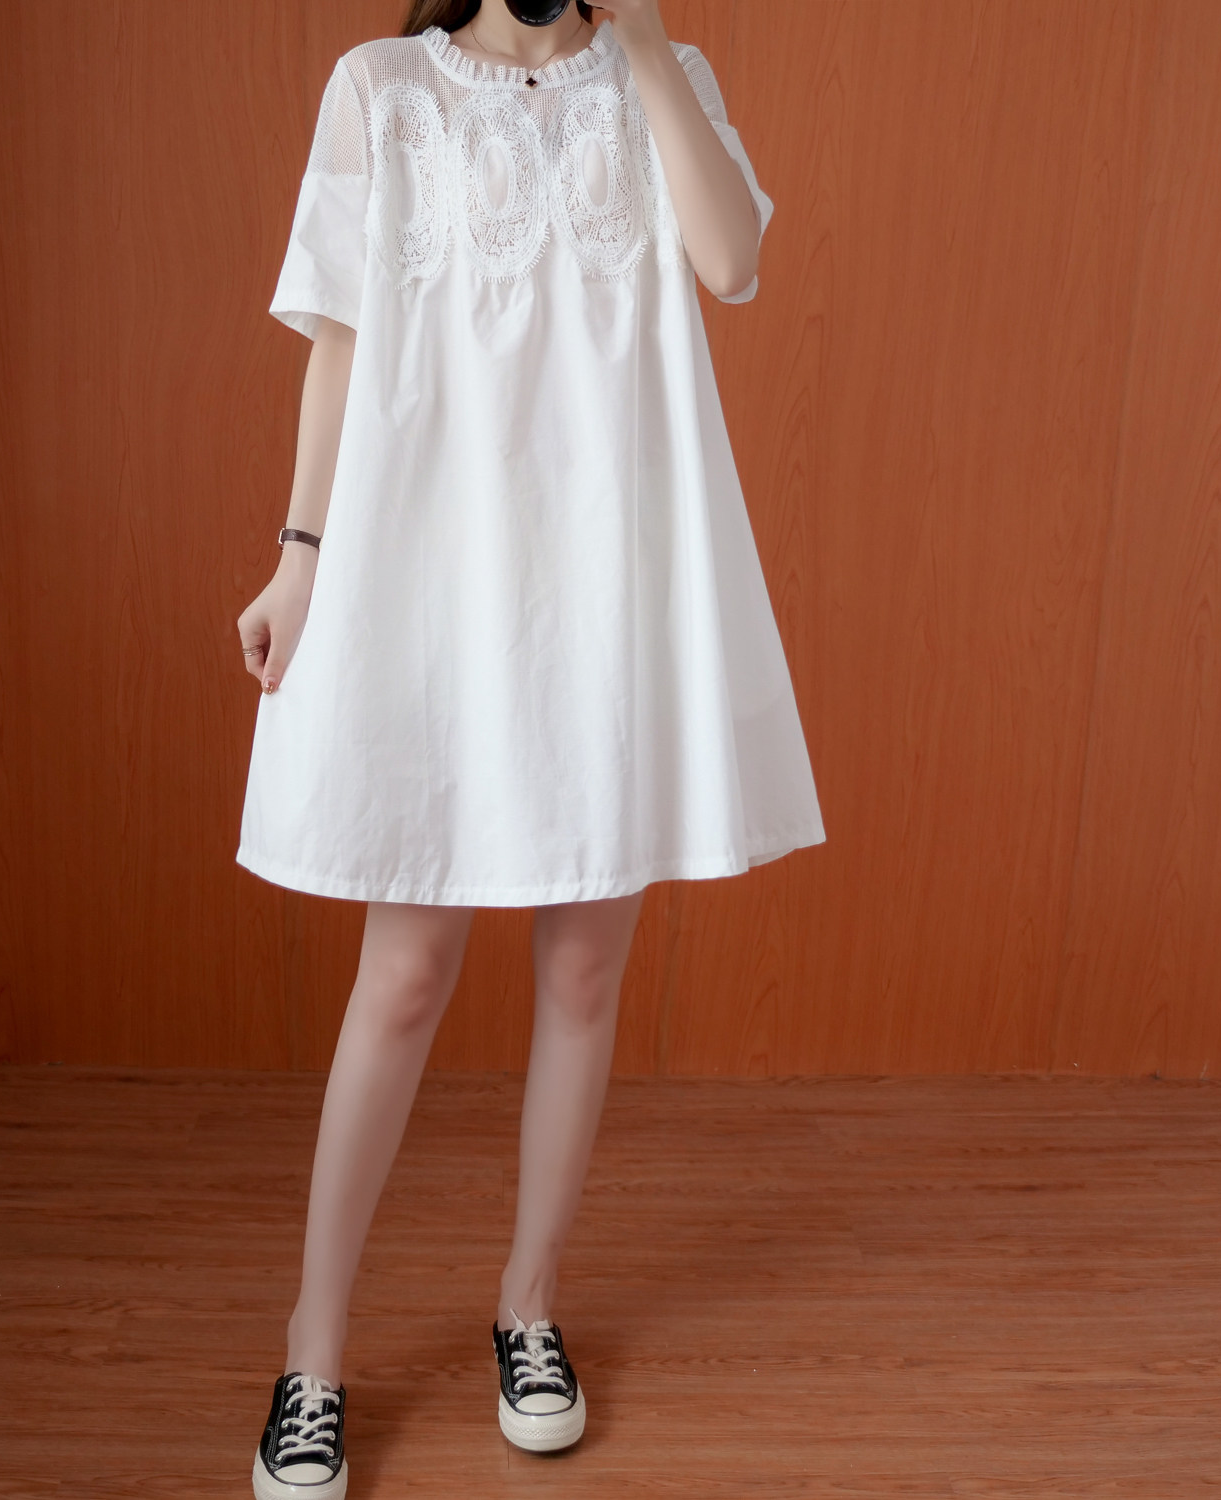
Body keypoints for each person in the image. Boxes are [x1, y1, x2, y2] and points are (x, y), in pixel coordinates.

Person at [234, 0, 824, 1493]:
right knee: (405, 975)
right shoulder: (382, 88)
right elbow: (337, 338)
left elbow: (732, 261)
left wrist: (645, 46)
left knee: (582, 971)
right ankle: (314, 1350)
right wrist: (300, 556)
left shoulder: (660, 78)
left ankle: (530, 1305)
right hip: (434, 579)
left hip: (606, 585)